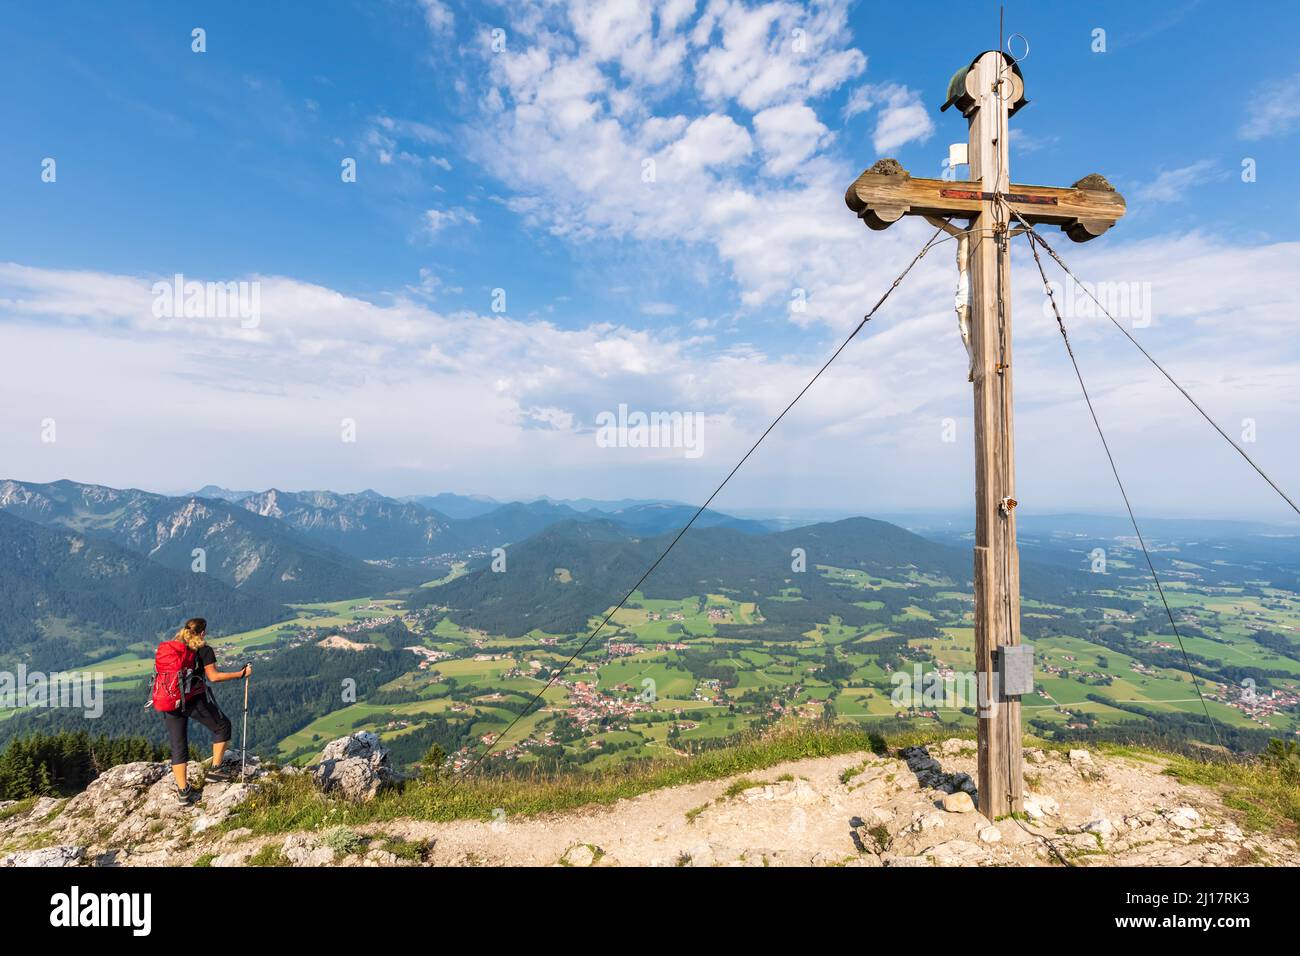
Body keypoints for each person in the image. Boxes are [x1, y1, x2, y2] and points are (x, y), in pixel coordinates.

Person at [159, 618, 251, 804]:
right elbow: (214, 677)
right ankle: (215, 770)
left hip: (169, 700)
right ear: (202, 633)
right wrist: (241, 674)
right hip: (193, 700)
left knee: (178, 745)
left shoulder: (174, 647)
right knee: (222, 726)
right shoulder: (204, 650)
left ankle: (183, 790)